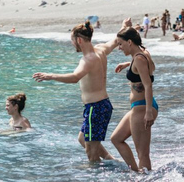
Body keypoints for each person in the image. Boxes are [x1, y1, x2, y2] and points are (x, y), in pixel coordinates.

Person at [33, 19, 130, 162]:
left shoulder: (88, 59)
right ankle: (112, 161)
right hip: (102, 105)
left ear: (79, 40)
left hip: (95, 108)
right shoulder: (101, 50)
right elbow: (115, 41)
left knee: (91, 155)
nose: (72, 44)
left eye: (72, 40)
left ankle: (96, 179)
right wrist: (124, 27)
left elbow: (74, 77)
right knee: (83, 139)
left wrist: (50, 76)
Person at [111, 27, 157, 172]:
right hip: (138, 107)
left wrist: (148, 112)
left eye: (120, 44)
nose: (119, 48)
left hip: (143, 107)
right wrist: (127, 65)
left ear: (129, 42)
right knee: (116, 138)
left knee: (143, 154)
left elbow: (148, 85)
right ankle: (137, 173)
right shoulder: (142, 54)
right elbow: (145, 66)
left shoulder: (138, 59)